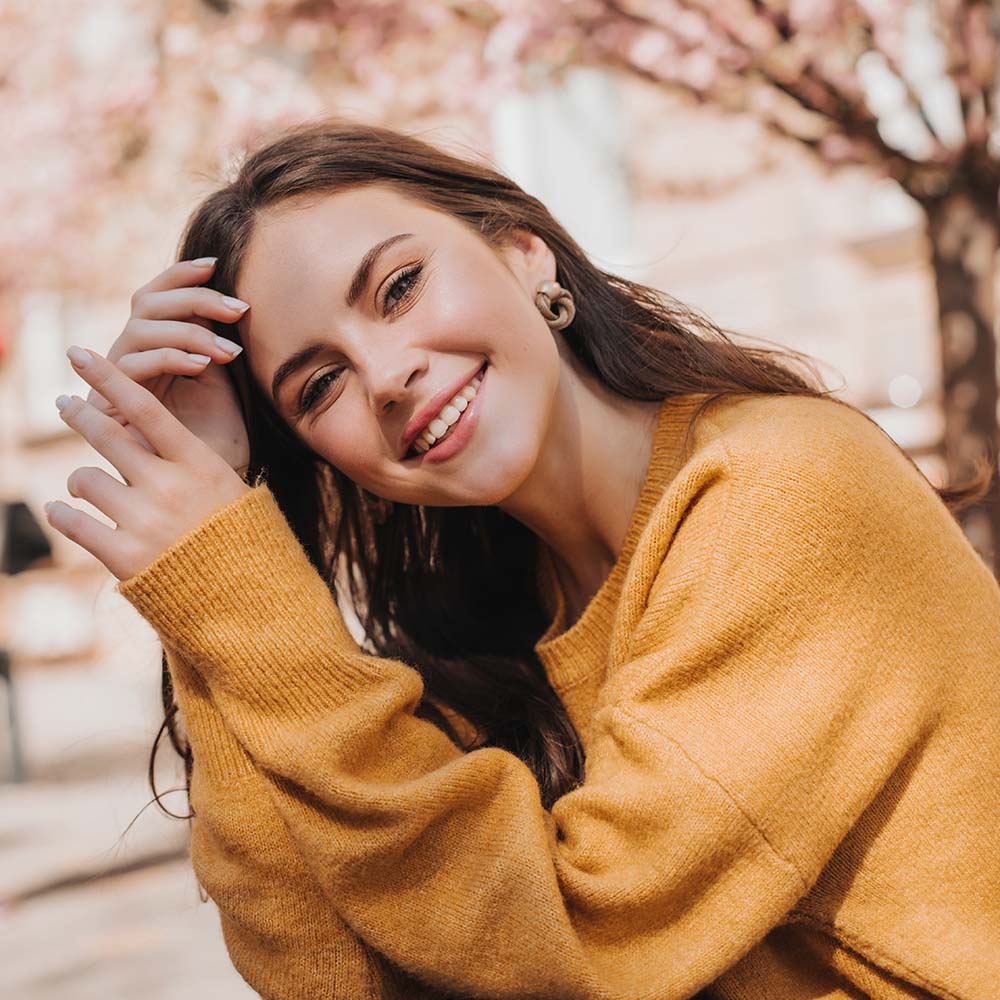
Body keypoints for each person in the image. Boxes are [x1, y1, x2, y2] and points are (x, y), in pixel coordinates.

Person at [44, 119, 999, 1000]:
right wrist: (209, 560)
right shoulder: (497, 623)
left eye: (399, 287)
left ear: (522, 249)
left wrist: (236, 595)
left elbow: (580, 945)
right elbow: (326, 972)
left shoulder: (782, 488)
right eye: (321, 382)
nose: (385, 375)